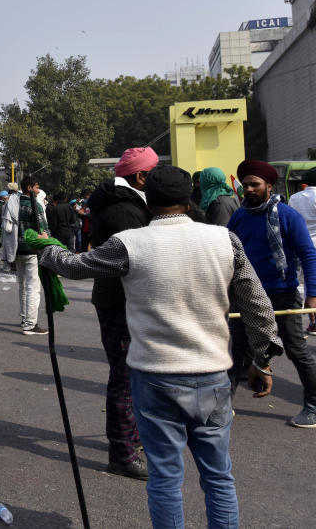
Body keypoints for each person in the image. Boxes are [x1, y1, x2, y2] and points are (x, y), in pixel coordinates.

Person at [37, 164, 283, 529]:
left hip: (154, 378)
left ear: (148, 199)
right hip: (213, 375)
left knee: (166, 480)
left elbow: (75, 266)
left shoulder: (130, 244)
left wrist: (45, 249)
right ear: (188, 199)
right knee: (218, 477)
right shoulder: (223, 240)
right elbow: (257, 305)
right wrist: (262, 360)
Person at [85, 145, 159, 480]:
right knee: (125, 378)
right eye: (153, 172)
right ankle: (122, 453)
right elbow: (139, 257)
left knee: (135, 375)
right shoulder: (123, 210)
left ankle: (132, 439)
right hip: (120, 299)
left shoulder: (124, 202)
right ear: (141, 176)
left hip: (121, 297)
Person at [228, 159, 316, 428]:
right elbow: (226, 252)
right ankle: (222, 405)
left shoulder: (287, 215)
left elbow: (308, 254)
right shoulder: (239, 216)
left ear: (269, 185)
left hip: (282, 294)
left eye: (255, 185)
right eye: (245, 186)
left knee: (295, 349)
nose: (249, 190)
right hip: (245, 294)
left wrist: (313, 293)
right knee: (237, 348)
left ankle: (313, 405)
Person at [1, 176, 49, 335]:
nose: (38, 190)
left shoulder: (12, 203)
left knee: (22, 285)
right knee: (33, 288)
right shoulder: (34, 205)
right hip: (31, 251)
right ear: (29, 188)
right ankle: (30, 324)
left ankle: (24, 317)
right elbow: (44, 230)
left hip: (16, 250)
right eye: (36, 187)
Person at [289, 168, 316, 334]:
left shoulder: (295, 198)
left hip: (303, 244)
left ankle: (313, 322)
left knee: (309, 283)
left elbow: (293, 221)